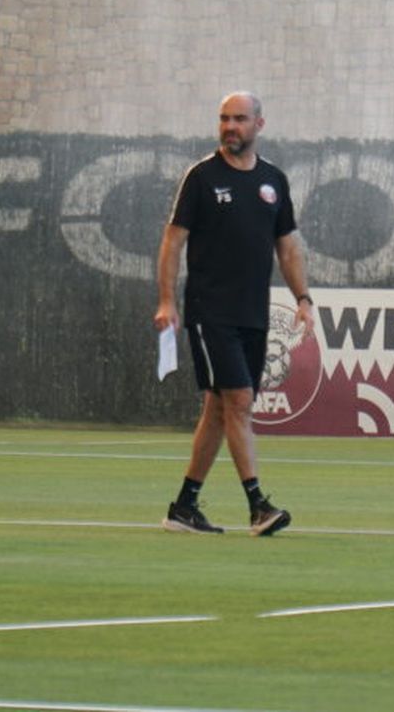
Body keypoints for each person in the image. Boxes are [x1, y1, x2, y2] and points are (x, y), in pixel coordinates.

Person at [154, 90, 314, 536]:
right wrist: (167, 300)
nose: (230, 127)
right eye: (224, 118)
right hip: (210, 311)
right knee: (239, 402)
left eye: (240, 119)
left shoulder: (273, 181)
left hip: (253, 314)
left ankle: (184, 506)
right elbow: (173, 241)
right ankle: (258, 506)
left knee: (219, 408)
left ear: (259, 124)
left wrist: (303, 298)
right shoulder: (201, 177)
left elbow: (287, 246)